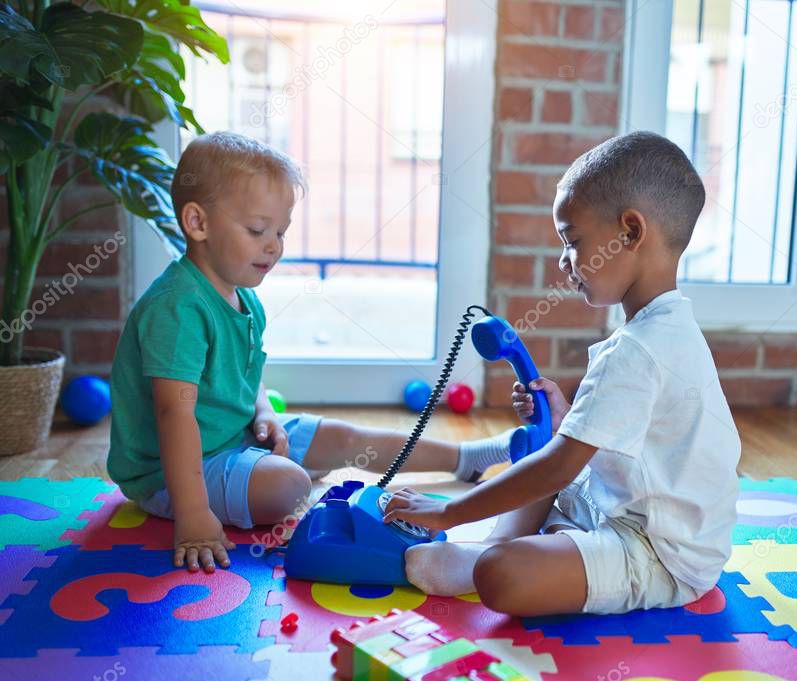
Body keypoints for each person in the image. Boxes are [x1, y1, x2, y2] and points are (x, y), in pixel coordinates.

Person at [107, 132, 512, 574]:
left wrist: (264, 413)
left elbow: (247, 378)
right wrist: (193, 516)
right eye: (258, 230)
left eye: (280, 231)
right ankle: (267, 487)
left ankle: (466, 458)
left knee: (344, 438)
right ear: (198, 223)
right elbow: (173, 416)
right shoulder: (178, 308)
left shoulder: (243, 297)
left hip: (235, 437)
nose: (274, 245)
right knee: (291, 487)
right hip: (174, 471)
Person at [385, 131, 741, 617]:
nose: (564, 261)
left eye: (573, 241)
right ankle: (487, 548)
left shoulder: (639, 350)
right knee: (548, 460)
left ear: (631, 232)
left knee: (505, 572)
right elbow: (631, 439)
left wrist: (449, 511)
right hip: (622, 508)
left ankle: (482, 564)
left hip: (660, 554)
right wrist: (569, 417)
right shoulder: (668, 328)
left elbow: (560, 465)